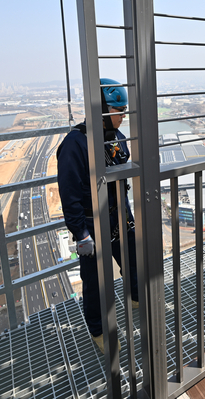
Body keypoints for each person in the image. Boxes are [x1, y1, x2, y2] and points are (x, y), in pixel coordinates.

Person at [57, 78, 139, 354]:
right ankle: (98, 329)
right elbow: (70, 195)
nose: (123, 115)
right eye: (119, 110)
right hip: (92, 225)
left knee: (134, 261)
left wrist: (127, 216)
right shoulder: (75, 145)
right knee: (95, 281)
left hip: (119, 217)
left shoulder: (117, 138)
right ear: (102, 110)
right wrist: (81, 234)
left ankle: (137, 297)